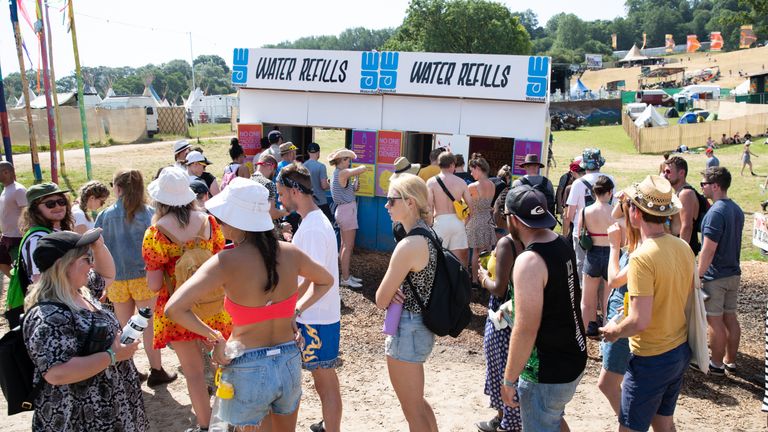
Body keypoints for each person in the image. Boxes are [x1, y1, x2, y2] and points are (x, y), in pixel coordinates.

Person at [164, 177, 333, 431]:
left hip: (247, 364)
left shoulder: (225, 262)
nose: (220, 224)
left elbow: (174, 308)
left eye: (222, 218)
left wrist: (214, 337)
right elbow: (325, 281)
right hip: (288, 359)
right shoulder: (290, 252)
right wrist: (295, 311)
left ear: (236, 222)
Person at [23, 229, 148, 431]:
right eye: (85, 259)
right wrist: (112, 356)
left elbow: (108, 274)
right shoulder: (48, 315)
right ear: (62, 266)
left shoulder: (80, 289)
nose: (91, 264)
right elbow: (57, 373)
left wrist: (97, 246)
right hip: (81, 416)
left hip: (109, 406)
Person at [600, 175, 694, 432]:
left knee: (629, 427)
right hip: (678, 350)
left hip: (651, 357)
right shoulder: (682, 247)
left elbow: (640, 321)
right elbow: (676, 296)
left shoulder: (641, 258)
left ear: (635, 212)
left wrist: (614, 331)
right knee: (663, 423)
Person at [142, 167, 232, 432]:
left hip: (178, 310)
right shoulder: (209, 223)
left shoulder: (155, 233)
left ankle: (205, 426)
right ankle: (234, 420)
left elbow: (154, 284)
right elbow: (220, 261)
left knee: (193, 374)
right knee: (226, 365)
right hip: (214, 304)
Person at [500, 185, 587, 432]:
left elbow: (526, 329)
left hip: (547, 371)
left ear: (514, 219)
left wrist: (509, 379)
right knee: (553, 418)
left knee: (545, 421)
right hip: (572, 357)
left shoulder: (528, 261)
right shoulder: (560, 242)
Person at [95, 169, 177, 386]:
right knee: (149, 326)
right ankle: (157, 370)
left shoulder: (104, 216)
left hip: (116, 279)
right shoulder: (150, 214)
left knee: (124, 326)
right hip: (144, 277)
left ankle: (129, 370)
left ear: (118, 188)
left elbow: (96, 247)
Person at [276, 163, 342, 432]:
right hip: (316, 315)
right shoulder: (312, 222)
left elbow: (316, 279)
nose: (280, 199)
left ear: (294, 190)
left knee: (325, 383)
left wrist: (294, 308)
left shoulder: (313, 228)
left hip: (316, 317)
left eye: (281, 193)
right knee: (323, 381)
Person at [375, 173, 439, 432]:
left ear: (410, 202)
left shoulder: (409, 244)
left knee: (412, 410)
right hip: (419, 327)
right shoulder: (428, 233)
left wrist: (391, 290)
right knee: (418, 405)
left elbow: (380, 299)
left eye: (391, 200)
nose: (386, 205)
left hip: (407, 329)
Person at [475, 187, 523, 432]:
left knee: (502, 371)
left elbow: (499, 288)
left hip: (502, 316)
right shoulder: (525, 239)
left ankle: (509, 422)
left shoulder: (506, 243)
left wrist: (483, 277)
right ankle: (503, 418)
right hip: (517, 312)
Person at [5, 183, 74, 328]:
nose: (58, 206)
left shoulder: (55, 231)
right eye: (50, 204)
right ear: (35, 210)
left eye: (61, 201)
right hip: (51, 309)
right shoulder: (38, 238)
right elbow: (38, 280)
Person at [698, 166, 744, 375]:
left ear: (715, 186)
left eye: (704, 184)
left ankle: (715, 364)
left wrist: (698, 275)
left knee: (714, 320)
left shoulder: (715, 212)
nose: (702, 187)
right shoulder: (736, 209)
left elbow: (708, 249)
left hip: (715, 276)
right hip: (733, 273)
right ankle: (730, 361)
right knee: (730, 318)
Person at [598, 196, 640, 416]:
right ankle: (629, 423)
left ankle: (629, 423)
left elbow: (614, 280)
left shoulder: (639, 251)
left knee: (607, 384)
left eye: (628, 211)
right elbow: (614, 215)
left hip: (625, 323)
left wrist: (613, 247)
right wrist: (624, 198)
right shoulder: (636, 244)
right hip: (621, 319)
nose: (617, 223)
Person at [565, 148, 616, 282]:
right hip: (607, 231)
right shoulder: (610, 180)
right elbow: (615, 207)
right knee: (606, 271)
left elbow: (570, 214)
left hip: (583, 233)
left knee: (582, 267)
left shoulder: (577, 183)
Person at [579, 175, 615, 338]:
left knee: (588, 298)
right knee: (608, 297)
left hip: (592, 253)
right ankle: (608, 328)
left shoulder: (586, 211)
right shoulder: (615, 211)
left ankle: (588, 328)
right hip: (611, 252)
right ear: (610, 192)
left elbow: (580, 234)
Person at [329, 148, 369, 289]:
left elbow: (352, 189)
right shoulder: (343, 172)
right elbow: (362, 168)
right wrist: (362, 165)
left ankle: (345, 275)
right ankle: (345, 278)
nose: (350, 162)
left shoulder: (339, 173)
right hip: (347, 211)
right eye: (348, 159)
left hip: (344, 211)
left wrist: (355, 181)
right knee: (348, 246)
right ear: (342, 160)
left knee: (344, 246)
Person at [427, 151, 471, 266]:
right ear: (452, 165)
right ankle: (458, 283)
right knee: (459, 262)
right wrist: (465, 223)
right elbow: (471, 207)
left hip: (439, 222)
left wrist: (430, 224)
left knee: (437, 261)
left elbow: (429, 207)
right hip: (457, 222)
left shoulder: (431, 182)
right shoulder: (461, 182)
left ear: (439, 164)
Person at [662, 156, 703, 255]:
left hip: (684, 249)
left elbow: (687, 226)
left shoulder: (686, 194)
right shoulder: (678, 192)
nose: (664, 175)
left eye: (668, 172)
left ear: (681, 173)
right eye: (664, 172)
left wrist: (680, 254)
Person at [465, 153, 496, 285]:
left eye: (472, 171)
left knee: (475, 252)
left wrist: (463, 224)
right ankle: (487, 278)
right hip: (488, 220)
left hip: (475, 220)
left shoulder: (472, 187)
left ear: (478, 168)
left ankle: (474, 280)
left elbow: (465, 207)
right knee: (487, 252)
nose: (471, 174)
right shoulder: (492, 185)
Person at [0, 161, 27, 277]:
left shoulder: (19, 190)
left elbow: (26, 212)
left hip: (17, 237)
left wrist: (25, 233)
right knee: (2, 262)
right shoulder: (5, 189)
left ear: (6, 172)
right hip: (6, 236)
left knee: (20, 267)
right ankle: (16, 283)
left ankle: (23, 287)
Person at [512, 153, 555, 218]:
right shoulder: (548, 183)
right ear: (537, 167)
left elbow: (512, 203)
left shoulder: (517, 183)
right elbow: (552, 199)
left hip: (524, 219)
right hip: (543, 217)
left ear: (525, 167)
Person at [304, 142, 334, 223]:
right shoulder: (321, 166)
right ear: (318, 152)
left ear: (308, 152)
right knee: (327, 225)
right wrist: (331, 185)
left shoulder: (303, 166)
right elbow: (324, 186)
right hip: (320, 202)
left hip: (308, 203)